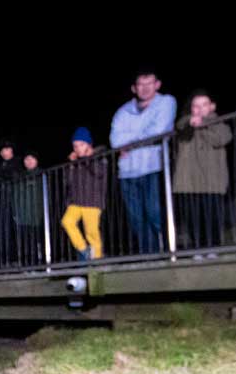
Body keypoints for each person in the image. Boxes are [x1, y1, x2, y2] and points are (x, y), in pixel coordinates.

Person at [110, 68, 177, 254]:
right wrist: (138, 139)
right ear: (134, 88)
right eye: (141, 84)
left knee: (155, 213)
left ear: (157, 85)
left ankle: (169, 252)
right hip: (127, 172)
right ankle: (149, 256)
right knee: (136, 219)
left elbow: (159, 130)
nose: (145, 88)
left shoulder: (166, 102)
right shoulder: (122, 111)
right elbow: (115, 141)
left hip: (153, 167)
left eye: (150, 83)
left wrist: (129, 142)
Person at [172, 90, 233, 256]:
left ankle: (213, 248)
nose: (199, 109)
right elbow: (180, 127)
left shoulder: (220, 124)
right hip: (189, 181)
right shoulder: (186, 124)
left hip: (212, 181)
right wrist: (191, 123)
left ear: (212, 106)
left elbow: (221, 139)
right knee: (193, 218)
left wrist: (202, 126)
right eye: (195, 106)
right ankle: (198, 248)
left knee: (212, 216)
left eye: (204, 105)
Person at [61, 128, 108, 260]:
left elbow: (99, 172)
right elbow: (68, 181)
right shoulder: (75, 161)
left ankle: (97, 258)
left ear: (89, 144)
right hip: (76, 201)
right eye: (75, 146)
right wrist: (71, 164)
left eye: (81, 144)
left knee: (91, 231)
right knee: (67, 221)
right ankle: (84, 249)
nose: (78, 148)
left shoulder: (100, 157)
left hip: (92, 200)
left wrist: (88, 158)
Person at [13, 151, 44, 265]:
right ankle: (27, 264)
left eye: (32, 158)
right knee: (25, 242)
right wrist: (15, 212)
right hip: (22, 215)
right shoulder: (20, 176)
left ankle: (38, 264)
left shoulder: (42, 174)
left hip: (36, 214)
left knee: (36, 240)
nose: (29, 161)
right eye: (26, 159)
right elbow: (15, 195)